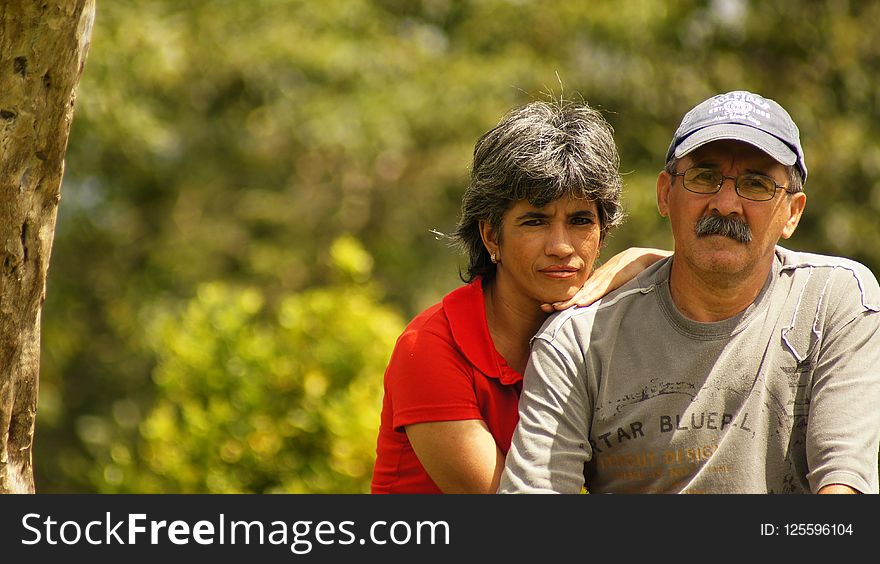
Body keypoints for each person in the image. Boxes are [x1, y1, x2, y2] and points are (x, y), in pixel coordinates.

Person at [499, 90, 880, 494]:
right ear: (665, 194)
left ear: (792, 212)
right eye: (705, 177)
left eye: (756, 184)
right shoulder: (578, 340)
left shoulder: (835, 301)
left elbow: (844, 490)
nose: (726, 203)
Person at [370, 98, 670, 493]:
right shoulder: (430, 347)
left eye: (581, 221)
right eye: (535, 221)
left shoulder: (601, 329)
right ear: (491, 235)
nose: (562, 246)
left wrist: (654, 260)